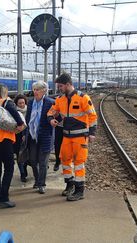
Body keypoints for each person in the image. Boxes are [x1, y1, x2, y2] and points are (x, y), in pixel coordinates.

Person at [47, 73, 97, 201]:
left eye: (61, 86)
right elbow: (52, 111)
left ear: (68, 84)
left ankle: (80, 191)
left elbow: (92, 116)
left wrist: (92, 133)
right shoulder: (60, 99)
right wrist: (51, 119)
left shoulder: (83, 98)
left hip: (80, 136)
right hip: (66, 136)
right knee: (65, 161)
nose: (59, 88)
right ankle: (69, 185)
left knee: (79, 163)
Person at [24, 81, 54, 194]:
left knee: (43, 162)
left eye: (38, 89)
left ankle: (41, 184)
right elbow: (27, 119)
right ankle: (37, 180)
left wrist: (52, 121)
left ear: (44, 91)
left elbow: (52, 117)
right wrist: (24, 134)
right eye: (34, 89)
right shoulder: (31, 102)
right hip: (32, 136)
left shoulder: (50, 102)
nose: (35, 92)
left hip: (45, 136)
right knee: (32, 160)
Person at [13, 94, 29, 182]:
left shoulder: (29, 111)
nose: (22, 105)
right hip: (17, 136)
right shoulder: (14, 112)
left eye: (23, 103)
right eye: (20, 103)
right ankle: (22, 173)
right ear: (16, 104)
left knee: (26, 154)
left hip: (27, 135)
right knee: (19, 155)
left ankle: (25, 168)